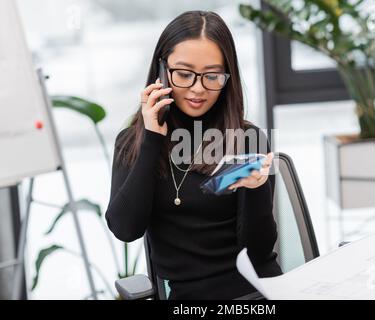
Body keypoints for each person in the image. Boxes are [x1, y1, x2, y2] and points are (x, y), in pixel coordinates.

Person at [105, 10, 282, 300]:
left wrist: (257, 189)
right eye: (184, 74)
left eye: (212, 76)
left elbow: (259, 251)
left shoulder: (246, 140)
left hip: (257, 294)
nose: (198, 89)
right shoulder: (134, 143)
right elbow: (125, 228)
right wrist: (152, 139)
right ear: (162, 71)